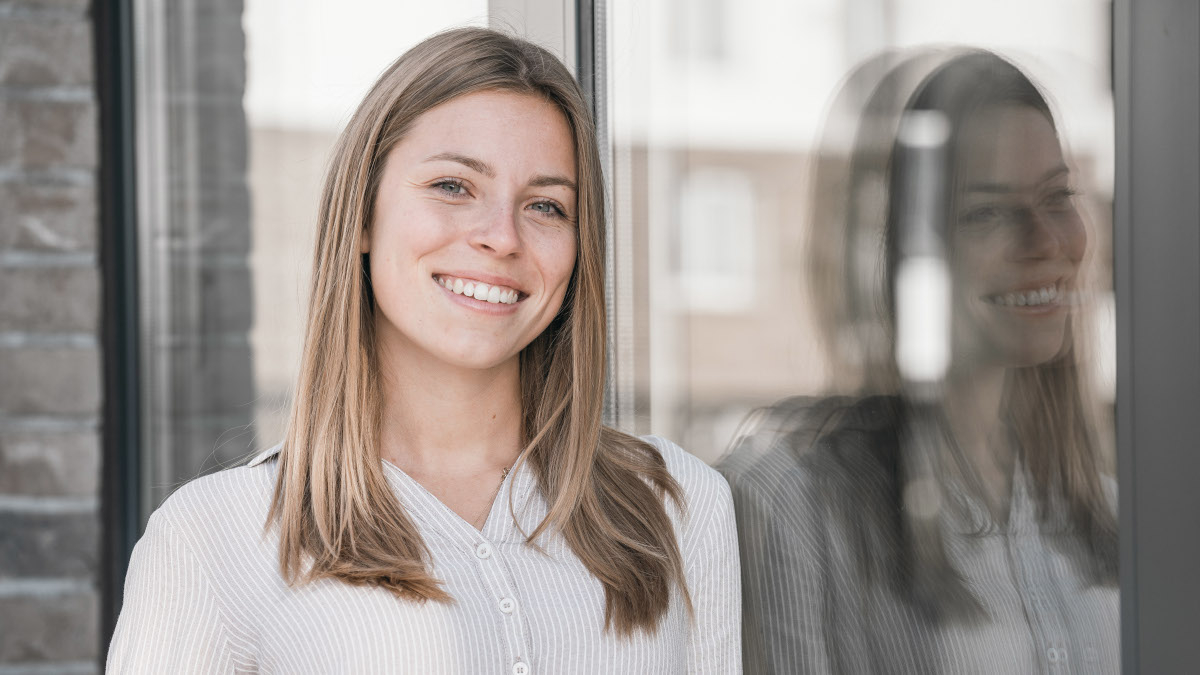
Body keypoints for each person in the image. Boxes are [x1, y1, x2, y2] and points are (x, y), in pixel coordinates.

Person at [108, 27, 740, 673]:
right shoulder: (214, 538)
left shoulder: (676, 504)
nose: (501, 236)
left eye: (547, 205)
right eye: (452, 186)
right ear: (361, 216)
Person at [720, 50, 1117, 674]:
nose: (1046, 241)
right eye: (987, 211)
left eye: (1056, 196)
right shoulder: (794, 508)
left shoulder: (1108, 506)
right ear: (901, 252)